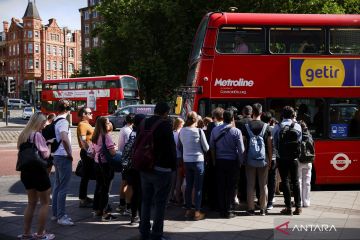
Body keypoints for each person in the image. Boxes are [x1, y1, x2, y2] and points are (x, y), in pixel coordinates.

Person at [136, 102, 176, 240]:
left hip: (145, 167)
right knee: (160, 203)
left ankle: (144, 231)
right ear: (165, 112)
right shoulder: (165, 125)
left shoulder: (143, 123)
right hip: (162, 169)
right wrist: (173, 167)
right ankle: (157, 234)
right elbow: (171, 149)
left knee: (145, 201)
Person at [17, 112, 55, 240]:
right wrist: (49, 144)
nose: (44, 126)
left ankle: (26, 233)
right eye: (43, 123)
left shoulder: (23, 134)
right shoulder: (37, 135)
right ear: (38, 122)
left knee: (31, 203)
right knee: (45, 203)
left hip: (26, 172)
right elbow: (45, 155)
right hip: (38, 172)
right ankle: (40, 234)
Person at [210, 110, 245, 218]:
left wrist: (214, 160)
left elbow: (211, 146)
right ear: (232, 119)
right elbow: (241, 149)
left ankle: (222, 209)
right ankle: (229, 210)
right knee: (231, 186)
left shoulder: (215, 130)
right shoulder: (236, 131)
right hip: (232, 162)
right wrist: (241, 161)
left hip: (220, 161)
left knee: (221, 186)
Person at [243, 104, 273, 216]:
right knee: (263, 184)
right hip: (263, 159)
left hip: (250, 160)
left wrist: (244, 158)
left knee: (250, 185)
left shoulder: (246, 126)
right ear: (261, 113)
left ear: (252, 113)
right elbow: (269, 145)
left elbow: (244, 145)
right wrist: (270, 159)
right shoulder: (266, 127)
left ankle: (251, 209)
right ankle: (263, 209)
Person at [179, 111, 209, 221]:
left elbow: (181, 144)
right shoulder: (199, 131)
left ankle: (187, 211)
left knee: (188, 186)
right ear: (196, 120)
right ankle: (197, 212)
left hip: (186, 161)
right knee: (198, 188)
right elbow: (206, 148)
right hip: (198, 161)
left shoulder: (182, 131)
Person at [273, 106, 302, 215]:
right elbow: (299, 141)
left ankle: (288, 207)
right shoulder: (298, 126)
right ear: (292, 115)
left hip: (282, 158)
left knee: (284, 181)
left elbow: (275, 142)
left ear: (282, 115)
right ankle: (298, 207)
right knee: (295, 181)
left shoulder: (277, 127)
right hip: (294, 158)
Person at [51, 99, 74, 226]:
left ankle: (55, 214)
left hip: (56, 155)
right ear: (68, 110)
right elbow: (64, 139)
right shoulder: (64, 122)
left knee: (57, 186)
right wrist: (69, 153)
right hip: (63, 156)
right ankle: (61, 216)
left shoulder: (55, 120)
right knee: (63, 187)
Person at [91, 117, 119, 221]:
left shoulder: (95, 135)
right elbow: (112, 153)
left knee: (99, 187)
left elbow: (93, 151)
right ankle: (105, 213)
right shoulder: (106, 136)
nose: (110, 124)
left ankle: (97, 209)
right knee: (105, 189)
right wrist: (115, 149)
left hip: (97, 163)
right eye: (107, 122)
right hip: (105, 165)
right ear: (103, 125)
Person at [121, 114, 147, 225]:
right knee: (141, 193)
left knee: (136, 192)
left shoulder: (132, 133)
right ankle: (141, 218)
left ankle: (134, 216)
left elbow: (126, 150)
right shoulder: (141, 134)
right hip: (139, 167)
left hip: (130, 167)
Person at [203, 107, 224, 210]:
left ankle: (212, 202)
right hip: (222, 157)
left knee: (212, 181)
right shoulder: (226, 126)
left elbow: (208, 143)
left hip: (211, 158)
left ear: (214, 116)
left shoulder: (210, 126)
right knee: (220, 181)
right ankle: (219, 202)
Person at [117, 113, 135, 215]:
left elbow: (120, 145)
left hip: (123, 157)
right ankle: (127, 205)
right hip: (128, 159)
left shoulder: (123, 129)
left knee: (124, 182)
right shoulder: (129, 131)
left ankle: (122, 204)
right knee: (128, 183)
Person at [76, 107, 95, 208]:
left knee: (86, 176)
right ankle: (83, 200)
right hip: (87, 153)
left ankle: (83, 197)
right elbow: (83, 140)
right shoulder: (82, 125)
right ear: (84, 114)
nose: (91, 114)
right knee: (86, 176)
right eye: (89, 113)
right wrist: (89, 152)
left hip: (88, 152)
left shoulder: (86, 124)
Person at [236, 105, 253, 205]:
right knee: (250, 176)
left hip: (241, 153)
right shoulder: (253, 123)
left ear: (243, 112)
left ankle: (241, 195)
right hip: (252, 152)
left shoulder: (238, 123)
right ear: (251, 113)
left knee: (241, 174)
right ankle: (249, 196)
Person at [170, 117, 185, 205]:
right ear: (180, 124)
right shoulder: (180, 133)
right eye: (182, 124)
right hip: (179, 157)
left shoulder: (172, 133)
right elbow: (180, 146)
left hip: (173, 157)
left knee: (173, 178)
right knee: (179, 179)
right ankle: (178, 197)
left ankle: (171, 195)